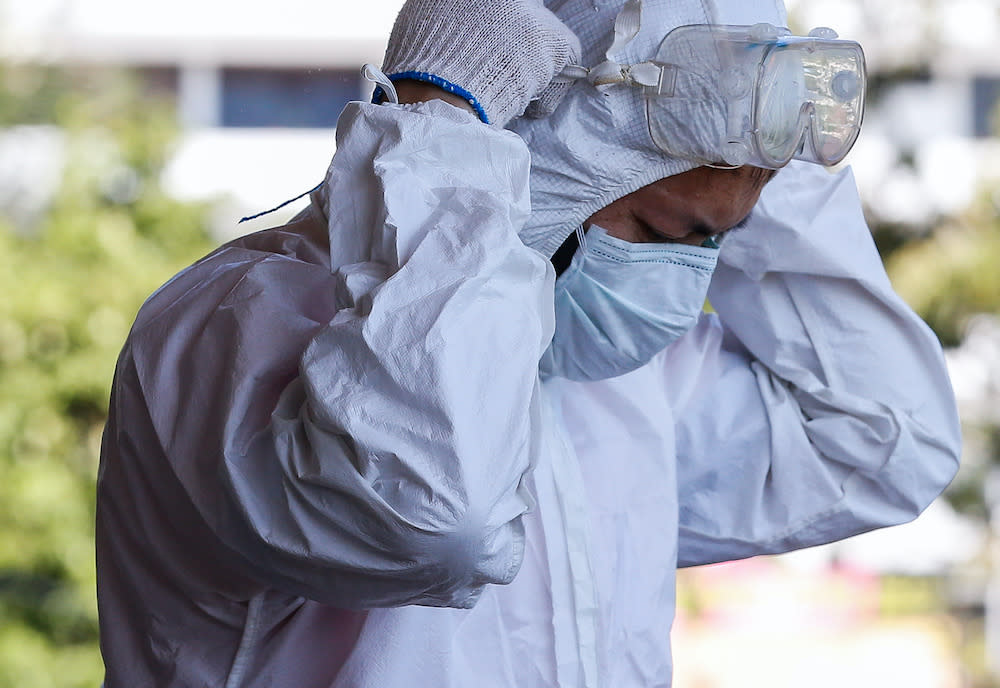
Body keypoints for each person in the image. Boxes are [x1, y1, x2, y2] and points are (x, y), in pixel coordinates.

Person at [95, 0, 961, 685]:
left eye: (717, 246)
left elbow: (882, 441)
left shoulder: (606, 374)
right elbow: (429, 518)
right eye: (666, 230)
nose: (685, 279)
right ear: (535, 172)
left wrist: (766, 146)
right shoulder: (234, 325)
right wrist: (443, 123)